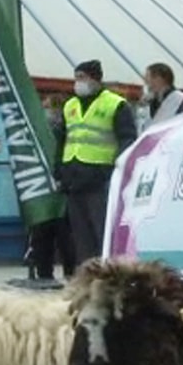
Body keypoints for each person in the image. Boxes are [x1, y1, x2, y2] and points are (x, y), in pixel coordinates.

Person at [54, 60, 138, 265]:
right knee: (80, 235)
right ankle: (86, 274)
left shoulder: (115, 104)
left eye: (82, 77)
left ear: (95, 79)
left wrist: (113, 170)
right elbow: (63, 140)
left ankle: (106, 272)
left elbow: (127, 138)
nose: (78, 82)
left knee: (102, 232)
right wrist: (58, 171)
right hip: (74, 178)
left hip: (100, 179)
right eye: (76, 78)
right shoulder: (70, 105)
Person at [26, 96, 76, 282]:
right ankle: (62, 272)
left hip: (53, 188)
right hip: (47, 188)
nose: (45, 111)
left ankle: (50, 273)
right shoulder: (42, 131)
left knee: (55, 235)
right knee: (54, 235)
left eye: (48, 107)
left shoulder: (58, 130)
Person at [142, 63, 183, 128]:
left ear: (160, 78)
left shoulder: (180, 99)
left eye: (149, 78)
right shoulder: (153, 103)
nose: (147, 83)